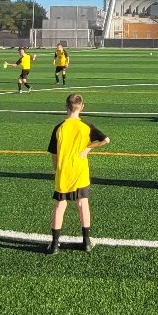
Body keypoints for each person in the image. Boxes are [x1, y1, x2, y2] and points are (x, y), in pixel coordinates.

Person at [46, 93, 110, 254]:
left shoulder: (59, 127)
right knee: (83, 203)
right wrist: (87, 149)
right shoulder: (86, 125)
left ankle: (54, 245)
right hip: (80, 170)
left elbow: (54, 153)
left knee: (60, 205)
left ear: (66, 107)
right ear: (82, 107)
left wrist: (56, 169)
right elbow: (105, 140)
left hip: (64, 171)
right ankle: (86, 242)